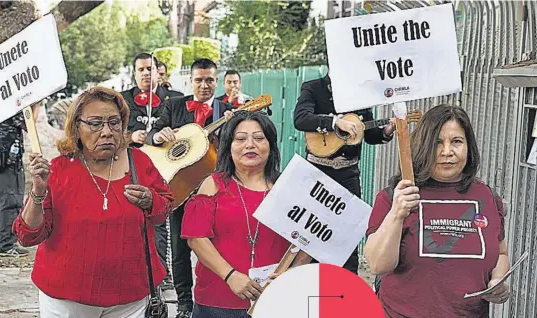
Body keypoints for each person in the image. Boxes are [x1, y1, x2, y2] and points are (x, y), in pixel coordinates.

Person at [12, 87, 174, 317]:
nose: (107, 132)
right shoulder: (58, 170)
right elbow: (28, 235)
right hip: (67, 300)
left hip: (131, 299)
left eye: (114, 122)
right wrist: (39, 192)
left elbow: (164, 209)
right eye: (96, 123)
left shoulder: (139, 161)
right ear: (77, 128)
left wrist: (150, 200)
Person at [364, 104, 510, 317]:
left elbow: (501, 253)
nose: (447, 152)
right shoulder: (395, 197)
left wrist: (498, 281)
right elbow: (378, 265)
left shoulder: (487, 197)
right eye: (437, 143)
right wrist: (396, 214)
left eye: (457, 142)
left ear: (469, 147)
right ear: (424, 145)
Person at [182, 111, 310, 317]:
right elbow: (196, 238)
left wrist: (289, 277)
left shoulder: (288, 187)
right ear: (228, 146)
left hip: (274, 301)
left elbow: (308, 240)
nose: (250, 145)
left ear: (270, 145)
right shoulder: (213, 184)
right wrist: (230, 276)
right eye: (240, 139)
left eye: (259, 138)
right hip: (217, 301)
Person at [146, 58, 235, 318]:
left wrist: (228, 128)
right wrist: (159, 136)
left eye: (209, 80)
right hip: (180, 187)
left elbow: (238, 147)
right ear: (191, 80)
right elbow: (153, 134)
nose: (204, 85)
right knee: (180, 249)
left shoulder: (226, 110)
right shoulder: (174, 106)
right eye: (199, 80)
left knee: (218, 247)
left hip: (215, 189)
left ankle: (216, 298)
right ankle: (184, 304)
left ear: (217, 81)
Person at [293, 72, 395, 273]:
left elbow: (370, 134)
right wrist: (334, 123)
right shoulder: (313, 87)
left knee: (347, 237)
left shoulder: (360, 95)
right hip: (317, 172)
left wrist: (386, 131)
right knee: (310, 233)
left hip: (348, 174)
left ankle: (346, 287)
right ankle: (308, 282)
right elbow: (301, 118)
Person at [121, 52, 183, 291]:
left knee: (159, 218)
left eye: (150, 69)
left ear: (159, 71)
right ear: (134, 73)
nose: (146, 73)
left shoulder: (175, 99)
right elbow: (112, 132)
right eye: (141, 70)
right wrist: (130, 137)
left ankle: (160, 272)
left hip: (167, 167)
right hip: (132, 165)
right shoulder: (123, 100)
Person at [0, 103, 39, 256]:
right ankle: (5, 244)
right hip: (8, 159)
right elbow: (29, 124)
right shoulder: (11, 105)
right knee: (10, 201)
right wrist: (36, 105)